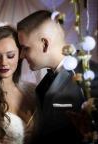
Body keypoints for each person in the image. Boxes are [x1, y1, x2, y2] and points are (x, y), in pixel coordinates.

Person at [17, 10, 98, 144]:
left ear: (45, 44)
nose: (21, 55)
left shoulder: (90, 75)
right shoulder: (43, 84)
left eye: (25, 48)